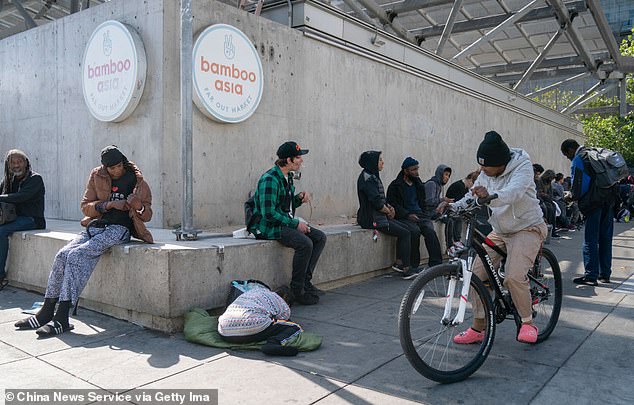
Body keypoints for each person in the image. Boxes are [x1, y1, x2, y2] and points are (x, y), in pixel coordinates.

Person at [15, 145, 153, 337]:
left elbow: (147, 215)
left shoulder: (137, 181)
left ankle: (62, 317)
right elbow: (85, 207)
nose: (116, 171)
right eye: (111, 168)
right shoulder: (97, 176)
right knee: (62, 255)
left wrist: (138, 206)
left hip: (120, 229)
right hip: (96, 226)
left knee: (77, 255)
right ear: (105, 168)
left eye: (118, 166)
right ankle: (46, 311)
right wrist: (109, 204)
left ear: (123, 162)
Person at [447, 131, 548, 344]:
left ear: (501, 163)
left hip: (527, 227)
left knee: (513, 276)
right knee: (475, 275)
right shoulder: (487, 172)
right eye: (480, 166)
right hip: (501, 230)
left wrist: (489, 197)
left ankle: (528, 322)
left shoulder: (522, 166)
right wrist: (452, 206)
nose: (481, 170)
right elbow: (473, 194)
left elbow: (514, 193)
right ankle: (478, 327)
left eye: (486, 167)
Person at [248, 141, 326, 305]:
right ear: (288, 160)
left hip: (282, 222)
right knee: (305, 244)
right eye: (298, 157)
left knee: (319, 238)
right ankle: (297, 289)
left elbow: (285, 205)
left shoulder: (287, 177)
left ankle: (305, 282)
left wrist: (298, 199)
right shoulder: (270, 179)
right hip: (267, 227)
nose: (301, 161)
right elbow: (268, 213)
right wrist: (295, 224)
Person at [357, 151, 421, 279]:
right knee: (405, 233)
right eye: (380, 160)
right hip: (372, 219)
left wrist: (389, 207)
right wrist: (388, 211)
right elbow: (376, 202)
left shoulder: (372, 175)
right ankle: (406, 268)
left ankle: (399, 263)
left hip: (380, 216)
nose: (382, 162)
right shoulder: (367, 179)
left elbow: (381, 198)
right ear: (372, 163)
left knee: (407, 229)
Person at [561, 139, 616, 285]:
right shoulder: (594, 153)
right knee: (605, 238)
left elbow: (580, 186)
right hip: (608, 201)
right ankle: (605, 274)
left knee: (590, 239)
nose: (568, 158)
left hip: (593, 203)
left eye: (567, 155)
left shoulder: (580, 159)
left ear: (570, 150)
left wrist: (570, 196)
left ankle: (591, 275)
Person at [0, 149, 46, 290]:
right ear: (8, 165)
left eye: (19, 161)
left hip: (32, 220)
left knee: (1, 231)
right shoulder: (9, 179)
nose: (16, 165)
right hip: (13, 218)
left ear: (26, 163)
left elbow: (21, 197)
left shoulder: (35, 179)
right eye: (12, 162)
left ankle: (0, 276)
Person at [386, 157, 442, 269]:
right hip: (404, 216)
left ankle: (436, 265)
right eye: (413, 169)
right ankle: (413, 265)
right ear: (405, 171)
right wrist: (407, 215)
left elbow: (423, 201)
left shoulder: (418, 184)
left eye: (417, 169)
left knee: (430, 232)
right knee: (414, 231)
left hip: (420, 214)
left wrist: (424, 213)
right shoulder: (395, 186)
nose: (416, 172)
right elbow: (393, 204)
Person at [218, 284, 301, 356]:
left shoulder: (254, 291)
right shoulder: (282, 303)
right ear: (286, 300)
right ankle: (273, 343)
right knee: (294, 326)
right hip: (252, 328)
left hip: (224, 332)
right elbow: (284, 320)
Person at [445, 171, 480, 256]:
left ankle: (457, 241)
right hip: (450, 209)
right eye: (473, 184)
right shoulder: (459, 186)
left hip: (457, 209)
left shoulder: (465, 187)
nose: (472, 188)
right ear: (470, 180)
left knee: (460, 217)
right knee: (454, 218)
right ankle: (451, 245)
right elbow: (462, 202)